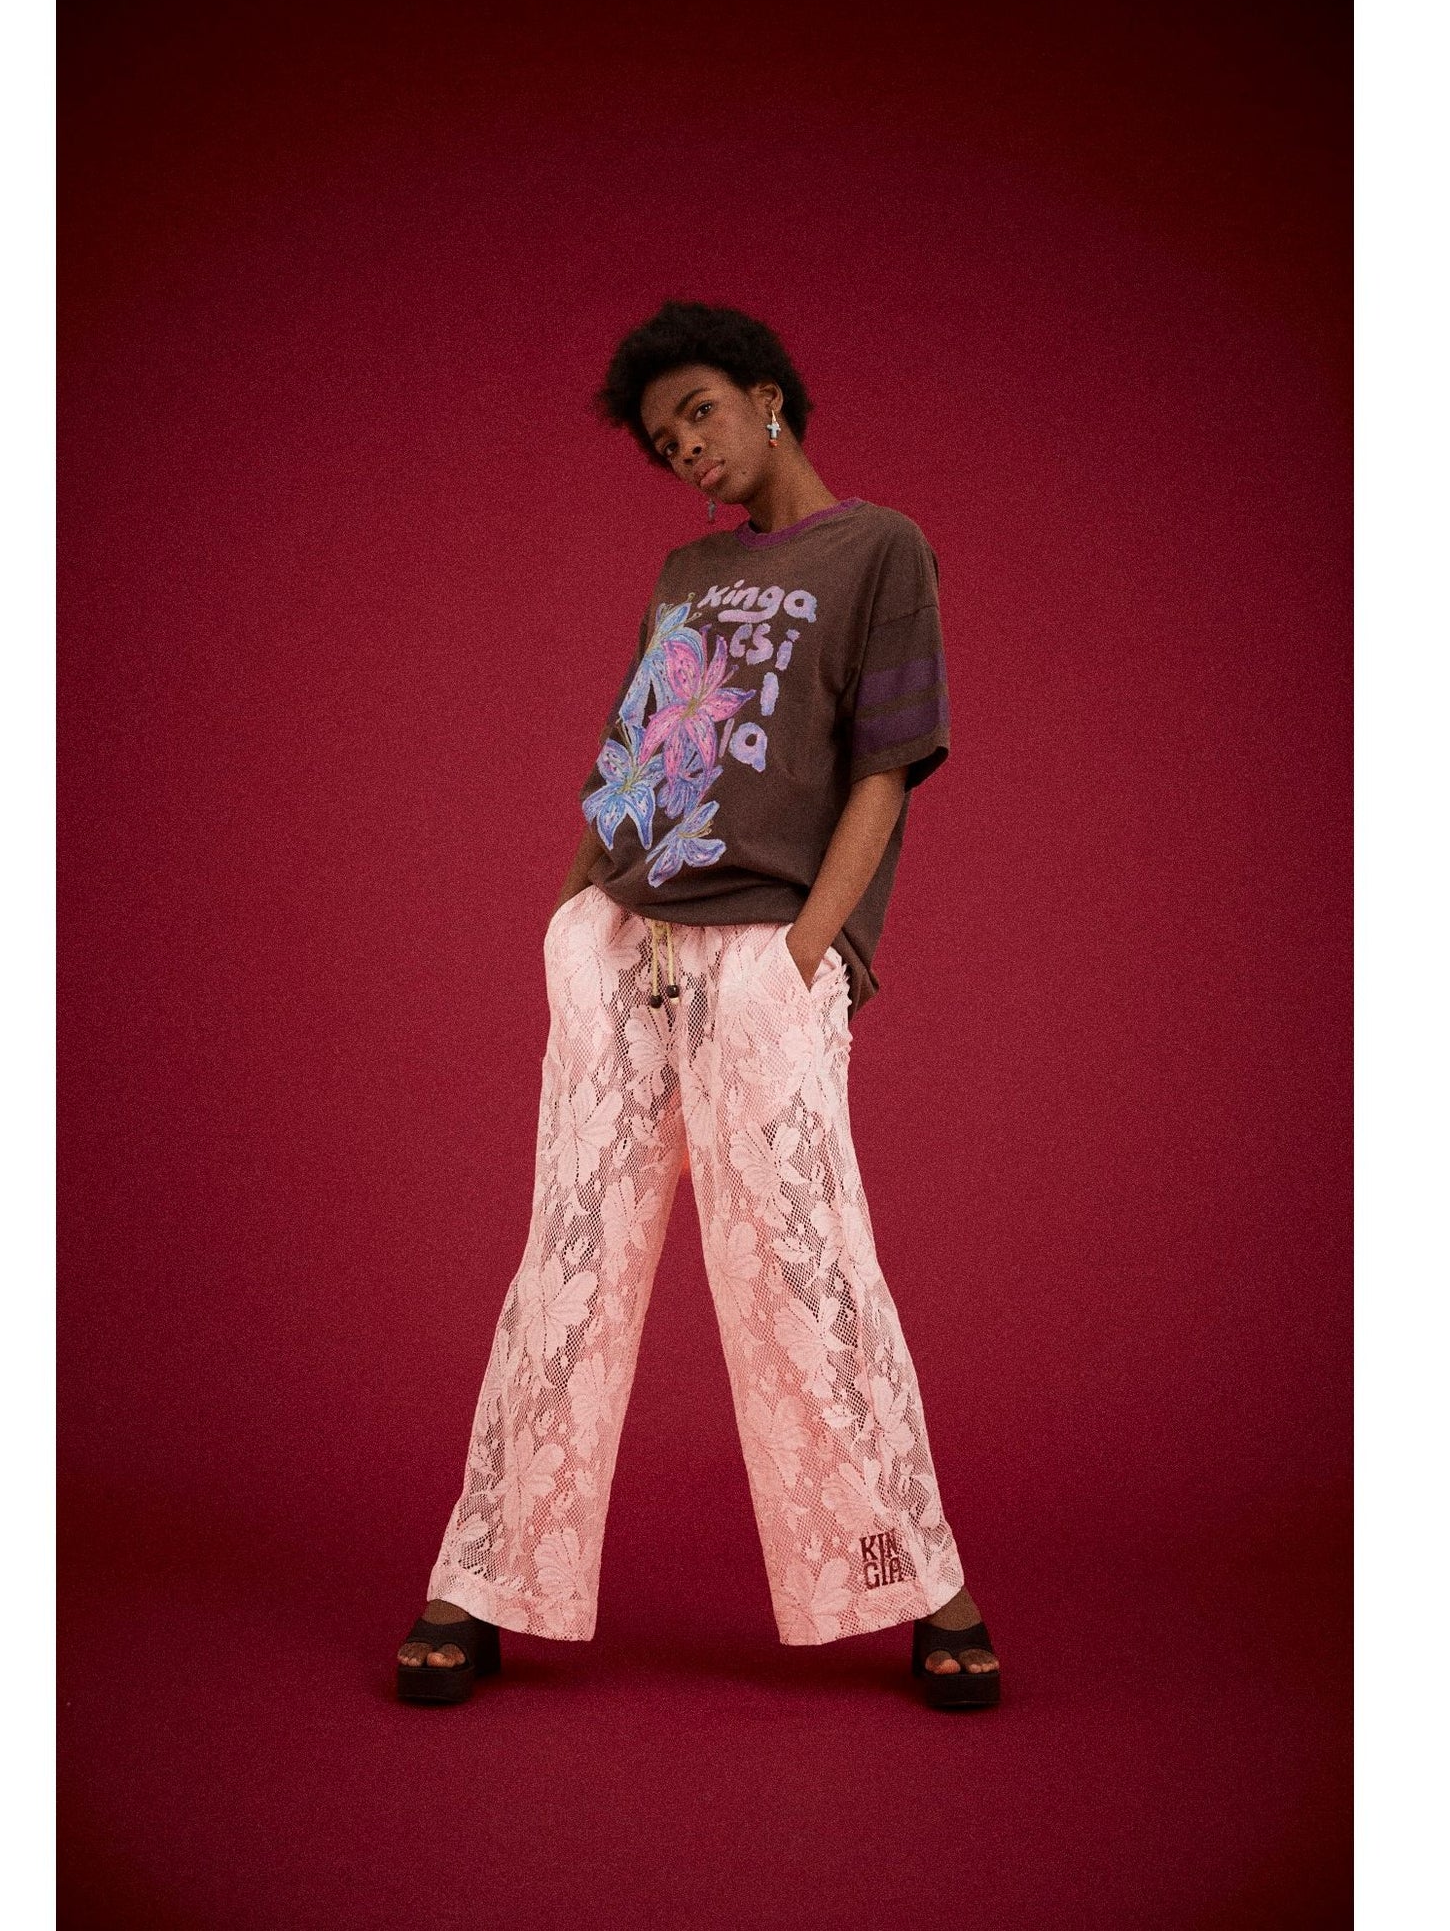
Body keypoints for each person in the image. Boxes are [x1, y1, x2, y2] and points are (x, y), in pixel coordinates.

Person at [395, 301, 1001, 1710]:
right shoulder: (685, 571)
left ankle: (923, 1584)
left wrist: (809, 954)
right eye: (666, 441)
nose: (687, 450)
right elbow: (633, 765)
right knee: (568, 1263)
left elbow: (884, 767)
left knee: (809, 1269)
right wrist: (567, 922)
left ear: (768, 395)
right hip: (620, 944)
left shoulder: (878, 548)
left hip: (763, 952)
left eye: (700, 414)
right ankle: (478, 1581)